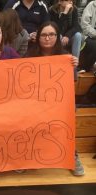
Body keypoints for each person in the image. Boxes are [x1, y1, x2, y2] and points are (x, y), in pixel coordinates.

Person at [26, 21, 84, 176]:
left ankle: (72, 155)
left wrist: (74, 66)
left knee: (69, 112)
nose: (47, 38)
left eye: (51, 34)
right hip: (35, 101)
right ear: (38, 37)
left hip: (57, 102)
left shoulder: (66, 57)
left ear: (57, 37)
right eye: (44, 35)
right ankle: (25, 156)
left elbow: (71, 84)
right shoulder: (29, 55)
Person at [79, 0, 96, 74]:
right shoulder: (92, 5)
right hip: (89, 36)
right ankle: (85, 68)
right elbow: (84, 25)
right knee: (93, 44)